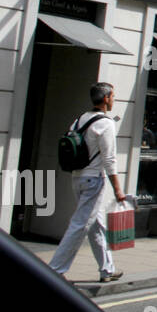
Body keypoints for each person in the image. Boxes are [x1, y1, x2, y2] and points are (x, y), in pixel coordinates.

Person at [50, 82, 126, 282]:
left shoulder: (79, 120)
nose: (113, 100)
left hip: (77, 177)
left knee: (96, 224)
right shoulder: (106, 123)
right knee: (80, 224)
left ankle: (107, 269)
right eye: (113, 96)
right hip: (93, 179)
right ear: (107, 98)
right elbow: (109, 159)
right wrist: (118, 189)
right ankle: (55, 270)